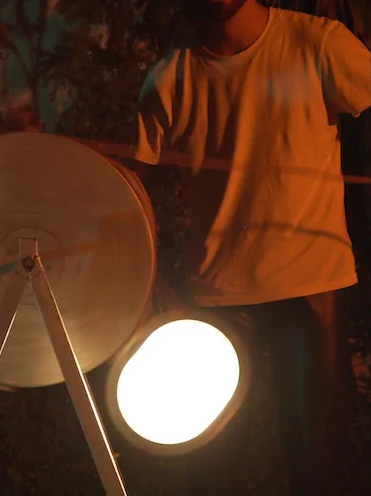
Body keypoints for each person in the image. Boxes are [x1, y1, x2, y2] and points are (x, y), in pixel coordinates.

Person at [132, 0, 371, 494]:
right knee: (209, 478)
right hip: (216, 295)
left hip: (312, 287)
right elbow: (134, 191)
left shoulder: (318, 43)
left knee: (318, 474)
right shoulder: (168, 77)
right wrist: (151, 285)